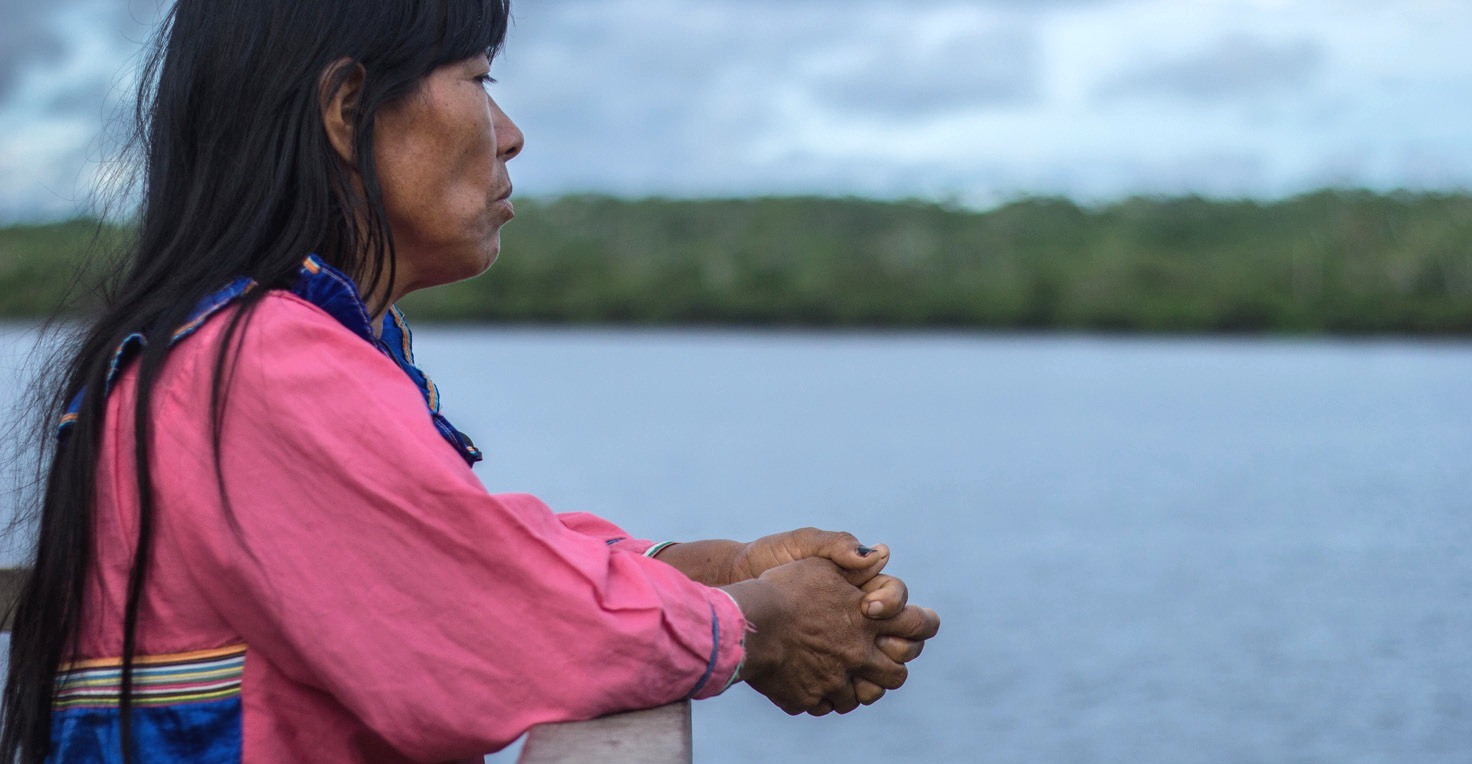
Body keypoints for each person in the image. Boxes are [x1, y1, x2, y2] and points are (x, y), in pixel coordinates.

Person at [0, 1, 941, 761]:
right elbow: (490, 629)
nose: (511, 133)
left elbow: (466, 555)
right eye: (479, 81)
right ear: (346, 113)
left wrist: (717, 568)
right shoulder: (259, 364)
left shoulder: (240, 345)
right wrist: (761, 622)